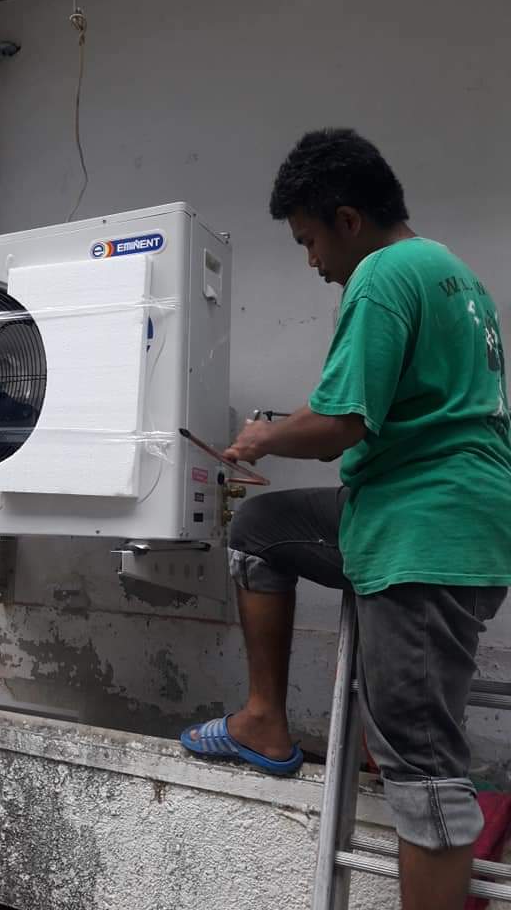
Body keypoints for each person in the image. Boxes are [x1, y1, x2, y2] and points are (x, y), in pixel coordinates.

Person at [180, 128, 511, 910]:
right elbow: (366, 416)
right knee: (260, 531)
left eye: (308, 240)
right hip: (451, 516)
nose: (312, 261)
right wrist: (292, 428)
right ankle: (265, 720)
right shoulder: (452, 273)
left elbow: (340, 424)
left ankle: (360, 738)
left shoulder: (380, 276)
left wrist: (262, 438)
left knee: (424, 780)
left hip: (423, 532)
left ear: (348, 220)